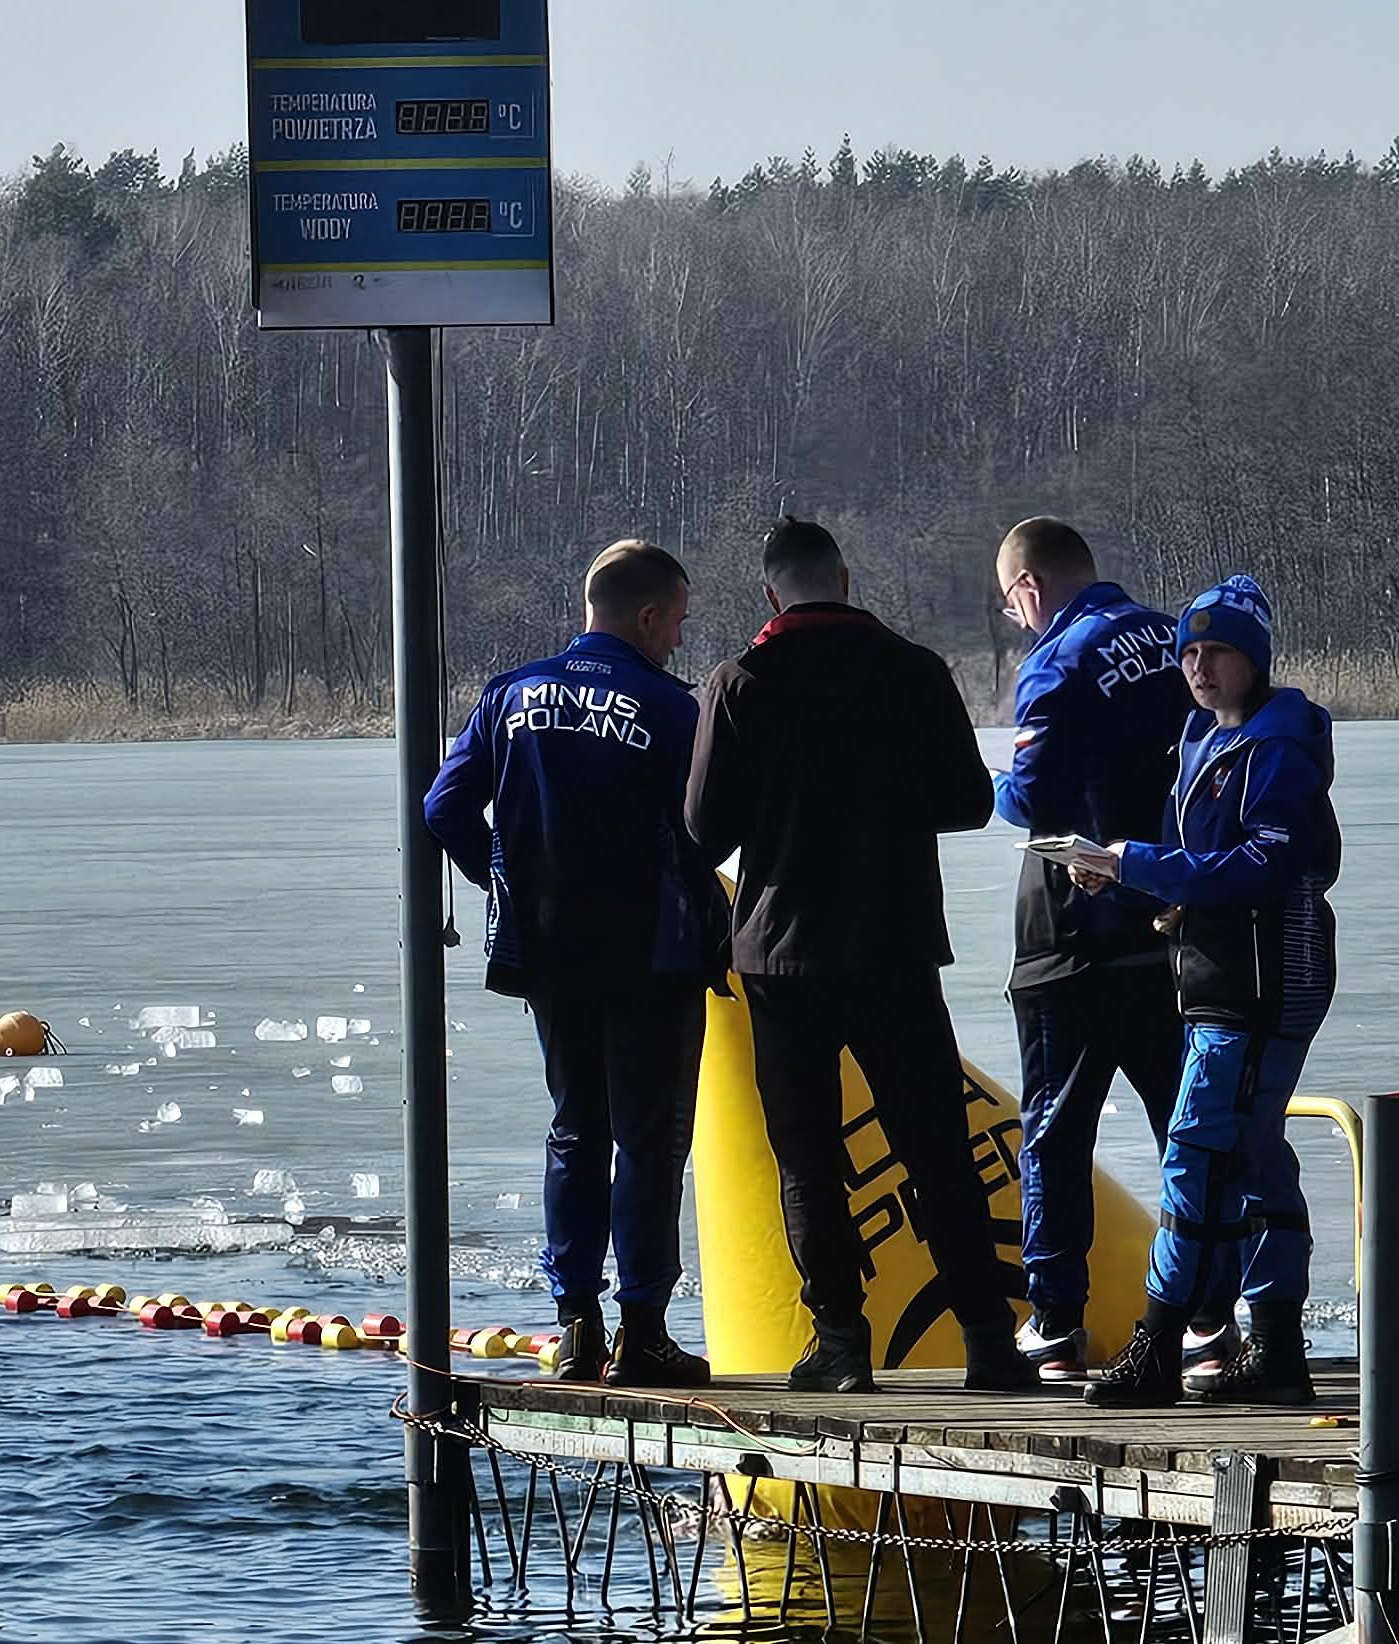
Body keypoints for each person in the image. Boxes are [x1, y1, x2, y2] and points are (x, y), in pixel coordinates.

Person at [684, 517, 1033, 1393]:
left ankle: (841, 1341)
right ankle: (990, 1341)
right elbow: (967, 801)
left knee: (807, 1160)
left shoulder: (739, 682)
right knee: (938, 1150)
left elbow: (700, 829)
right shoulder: (914, 671)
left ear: (772, 593)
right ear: (845, 576)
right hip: (896, 945)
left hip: (779, 956)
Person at [423, 537, 725, 1388]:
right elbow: (709, 826)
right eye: (676, 625)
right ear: (648, 615)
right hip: (652, 955)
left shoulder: (509, 694)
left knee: (575, 1131)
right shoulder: (670, 708)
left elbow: (445, 807)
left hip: (551, 955)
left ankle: (574, 1328)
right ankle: (646, 1331)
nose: (676, 641)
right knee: (652, 1140)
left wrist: (505, 879)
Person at [1057, 576, 1340, 1407]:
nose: (1198, 665)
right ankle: (1279, 1348)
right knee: (1250, 1156)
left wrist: (1137, 863)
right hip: (1216, 972)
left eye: (1216, 651)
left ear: (1253, 659)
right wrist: (1120, 876)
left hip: (1262, 980)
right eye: (1187, 650)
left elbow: (1264, 864)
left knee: (1196, 1152)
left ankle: (1159, 1340)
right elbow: (1203, 866)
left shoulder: (1280, 745)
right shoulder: (1202, 741)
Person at [991, 518, 1190, 1375]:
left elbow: (1028, 796)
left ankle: (1057, 1320)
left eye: (1011, 607)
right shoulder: (1174, 638)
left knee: (1056, 1133)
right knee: (1187, 1128)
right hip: (1173, 919)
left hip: (1072, 938)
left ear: (1028, 588)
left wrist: (992, 785)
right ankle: (1211, 1317)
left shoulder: (1060, 659)